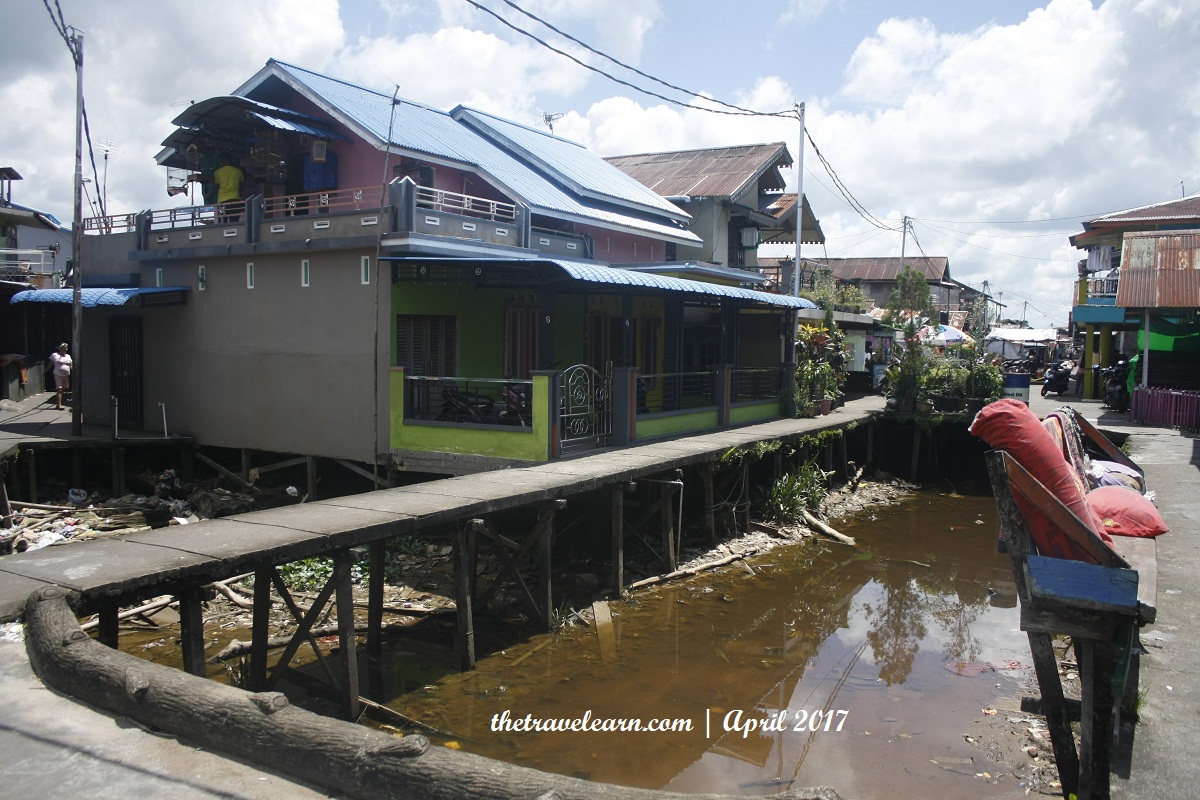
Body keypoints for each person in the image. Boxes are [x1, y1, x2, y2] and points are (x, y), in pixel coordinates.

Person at [213, 153, 244, 222]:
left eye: (220, 161)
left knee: (222, 220)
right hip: (235, 200)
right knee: (234, 220)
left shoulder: (217, 172)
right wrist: (240, 194)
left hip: (222, 202)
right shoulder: (238, 171)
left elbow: (215, 186)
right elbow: (242, 185)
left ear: (223, 161)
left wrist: (209, 195)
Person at [49, 342, 72, 410]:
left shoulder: (68, 356)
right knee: (59, 389)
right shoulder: (55, 355)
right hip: (57, 374)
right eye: (64, 348)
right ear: (60, 349)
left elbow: (71, 365)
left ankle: (58, 403)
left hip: (66, 375)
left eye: (66, 348)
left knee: (63, 389)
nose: (66, 350)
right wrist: (45, 370)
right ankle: (59, 405)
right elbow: (50, 363)